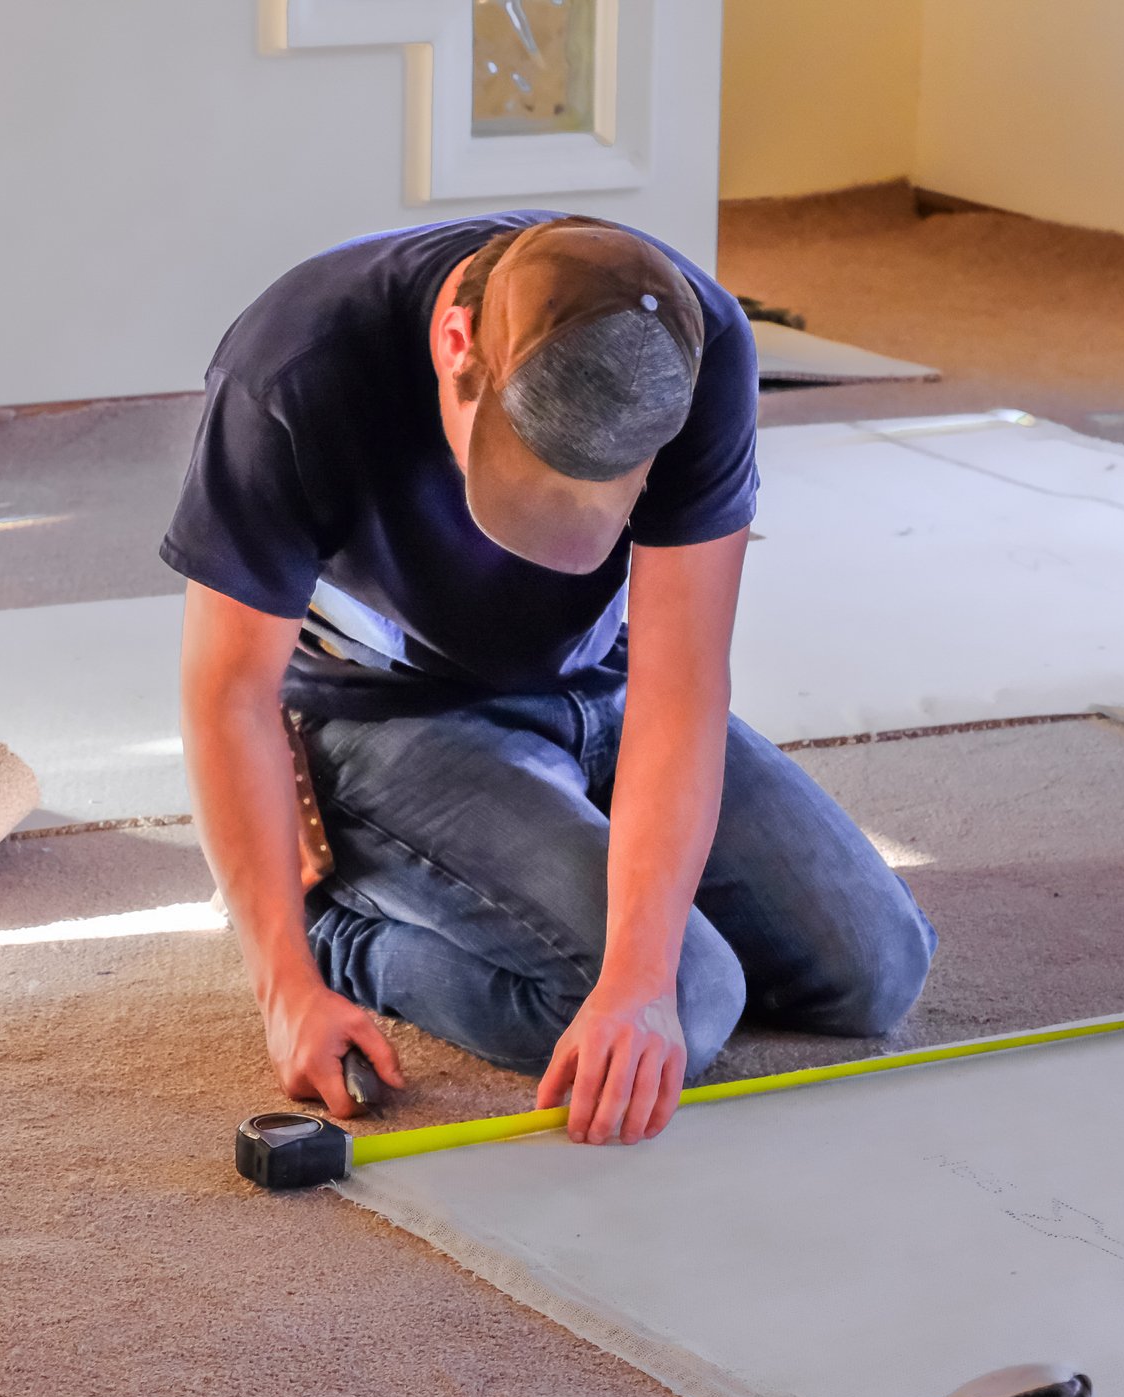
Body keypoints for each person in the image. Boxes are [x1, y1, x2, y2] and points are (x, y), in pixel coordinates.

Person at [163, 212, 936, 1145]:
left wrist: (637, 980)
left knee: (873, 973)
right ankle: (342, 934)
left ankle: (562, 893)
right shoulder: (294, 368)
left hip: (600, 687)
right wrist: (283, 981)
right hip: (385, 722)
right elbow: (228, 695)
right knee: (695, 1005)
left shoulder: (699, 348)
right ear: (457, 347)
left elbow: (680, 684)